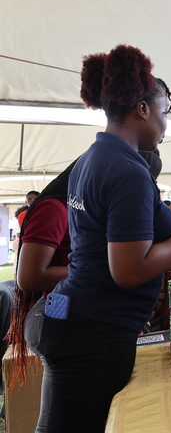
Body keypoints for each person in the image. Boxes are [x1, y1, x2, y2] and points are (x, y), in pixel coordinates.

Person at [28, 44, 171, 432]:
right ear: (142, 109)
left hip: (70, 314)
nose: (165, 126)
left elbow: (131, 230)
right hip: (94, 331)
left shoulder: (94, 158)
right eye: (164, 113)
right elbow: (128, 270)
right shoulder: (128, 170)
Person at [8, 161, 76, 432]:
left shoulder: (76, 210)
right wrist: (91, 268)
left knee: (62, 413)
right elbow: (29, 277)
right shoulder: (56, 209)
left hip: (60, 310)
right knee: (56, 416)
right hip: (53, 311)